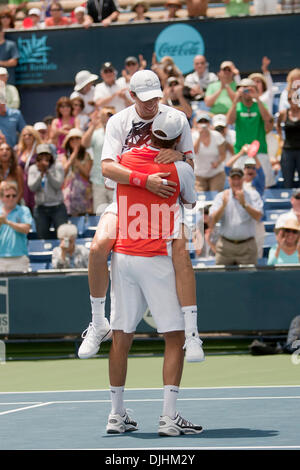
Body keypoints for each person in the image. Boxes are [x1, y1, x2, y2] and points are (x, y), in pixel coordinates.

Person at [78, 70, 203, 364]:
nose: (151, 105)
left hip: (166, 204)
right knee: (97, 248)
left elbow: (191, 164)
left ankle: (193, 334)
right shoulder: (117, 122)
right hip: (125, 201)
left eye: (156, 98)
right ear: (131, 96)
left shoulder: (176, 119)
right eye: (145, 100)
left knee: (183, 256)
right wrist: (144, 181)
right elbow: (107, 169)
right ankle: (98, 324)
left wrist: (180, 158)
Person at [106, 110, 204, 436]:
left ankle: (116, 414)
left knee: (121, 337)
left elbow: (109, 173)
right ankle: (169, 416)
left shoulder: (124, 160)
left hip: (123, 257)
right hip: (156, 255)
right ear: (176, 139)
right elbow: (189, 201)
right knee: (174, 337)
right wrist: (182, 160)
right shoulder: (180, 169)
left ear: (150, 132)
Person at [227, 78, 275, 187]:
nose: (247, 92)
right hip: (241, 151)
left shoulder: (260, 105)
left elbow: (268, 121)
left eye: (250, 89)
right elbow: (229, 121)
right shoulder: (237, 107)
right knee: (239, 185)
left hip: (260, 151)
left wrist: (257, 98)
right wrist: (235, 100)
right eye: (244, 89)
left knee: (264, 184)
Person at [209, 167, 263, 266]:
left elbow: (258, 217)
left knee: (248, 280)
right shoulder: (221, 196)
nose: (236, 182)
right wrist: (223, 206)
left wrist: (244, 204)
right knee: (221, 278)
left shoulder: (253, 195)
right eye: (233, 179)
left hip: (247, 247)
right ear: (229, 180)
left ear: (243, 179)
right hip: (225, 246)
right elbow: (212, 221)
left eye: (239, 178)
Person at [27, 143, 67, 239]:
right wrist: (41, 174)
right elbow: (32, 187)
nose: (44, 158)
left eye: (46, 155)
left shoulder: (57, 166)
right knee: (42, 237)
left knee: (63, 235)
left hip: (58, 207)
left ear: (51, 155)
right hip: (41, 208)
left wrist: (47, 172)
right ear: (37, 157)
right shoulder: (33, 169)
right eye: (41, 155)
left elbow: (58, 184)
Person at [81, 107, 115, 214]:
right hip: (98, 180)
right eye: (104, 115)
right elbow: (84, 144)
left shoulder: (119, 133)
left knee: (116, 212)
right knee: (99, 214)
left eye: (110, 115)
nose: (107, 117)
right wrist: (93, 126)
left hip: (115, 179)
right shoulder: (96, 133)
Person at [0, 180, 32, 273]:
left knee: (20, 287)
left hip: (19, 258)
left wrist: (7, 222)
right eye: (8, 196)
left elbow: (26, 229)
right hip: (0, 258)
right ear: (2, 197)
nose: (11, 198)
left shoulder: (24, 210)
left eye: (14, 195)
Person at [61, 128, 93, 217]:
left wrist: (76, 161)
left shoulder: (87, 155)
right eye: (72, 138)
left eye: (77, 138)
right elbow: (64, 171)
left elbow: (87, 173)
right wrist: (73, 155)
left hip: (83, 192)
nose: (74, 140)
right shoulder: (64, 156)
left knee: (84, 216)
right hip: (68, 192)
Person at [192, 111, 226, 192]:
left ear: (209, 124)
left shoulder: (217, 135)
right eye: (201, 122)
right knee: (200, 199)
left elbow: (223, 155)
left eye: (205, 121)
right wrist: (200, 136)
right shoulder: (193, 136)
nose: (203, 124)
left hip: (216, 174)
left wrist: (217, 162)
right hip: (199, 175)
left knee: (215, 197)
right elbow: (194, 152)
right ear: (197, 124)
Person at [276, 91, 300, 189]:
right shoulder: (284, 113)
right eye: (289, 99)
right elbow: (277, 126)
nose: (292, 101)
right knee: (287, 181)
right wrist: (281, 139)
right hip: (288, 150)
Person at [17, 125, 42, 212]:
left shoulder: (39, 150)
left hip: (34, 184)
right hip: (22, 186)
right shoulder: (20, 151)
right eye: (24, 135)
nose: (27, 137)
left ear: (34, 136)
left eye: (29, 135)